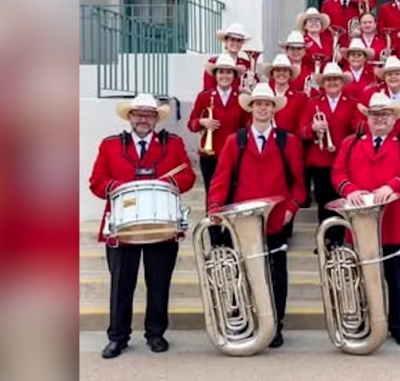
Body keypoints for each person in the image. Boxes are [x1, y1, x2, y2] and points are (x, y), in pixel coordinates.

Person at [89, 94, 196, 358]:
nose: (143, 119)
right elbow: (96, 180)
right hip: (123, 226)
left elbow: (187, 175)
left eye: (149, 115)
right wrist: (117, 188)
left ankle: (155, 333)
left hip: (161, 225)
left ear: (157, 119)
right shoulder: (110, 145)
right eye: (138, 114)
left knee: (159, 282)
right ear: (129, 117)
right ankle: (118, 336)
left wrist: (167, 185)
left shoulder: (173, 143)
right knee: (121, 284)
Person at [206, 83, 307, 349]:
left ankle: (275, 324)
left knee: (277, 274)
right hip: (242, 222)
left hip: (276, 221)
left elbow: (299, 185)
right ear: (251, 108)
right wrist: (215, 208)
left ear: (274, 109)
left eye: (267, 104)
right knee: (241, 272)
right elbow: (220, 180)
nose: (263, 108)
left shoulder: (289, 141)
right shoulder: (233, 141)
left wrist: (291, 209)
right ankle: (245, 319)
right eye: (258, 104)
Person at [332, 92, 400, 346]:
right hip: (362, 223)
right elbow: (338, 173)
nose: (379, 119)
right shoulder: (350, 142)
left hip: (397, 223)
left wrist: (394, 185)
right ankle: (367, 320)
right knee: (362, 277)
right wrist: (350, 189)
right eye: (374, 115)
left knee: (397, 279)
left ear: (394, 117)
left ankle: (399, 324)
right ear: (367, 118)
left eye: (384, 114)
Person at [299, 62, 358, 235]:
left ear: (342, 82)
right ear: (323, 83)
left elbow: (357, 131)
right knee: (324, 203)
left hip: (345, 162)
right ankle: (325, 240)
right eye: (328, 80)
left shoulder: (352, 104)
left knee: (343, 202)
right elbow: (301, 131)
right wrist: (313, 129)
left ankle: (341, 239)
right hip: (321, 161)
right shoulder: (312, 104)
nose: (332, 83)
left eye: (336, 80)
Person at [187, 54, 248, 195]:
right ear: (215, 75)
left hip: (234, 155)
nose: (224, 76)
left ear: (234, 76)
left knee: (232, 195)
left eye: (228, 72)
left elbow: (246, 127)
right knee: (212, 194)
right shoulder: (204, 97)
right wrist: (202, 122)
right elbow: (191, 123)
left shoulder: (241, 98)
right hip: (210, 156)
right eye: (221, 72)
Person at [260, 54, 308, 133]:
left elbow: (301, 127)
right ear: (272, 74)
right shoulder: (264, 95)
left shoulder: (300, 98)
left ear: (290, 74)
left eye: (285, 70)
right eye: (278, 70)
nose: (281, 73)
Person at [202, 23, 251, 91]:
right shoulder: (213, 62)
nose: (236, 43)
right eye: (232, 39)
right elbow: (208, 89)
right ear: (226, 40)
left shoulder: (247, 64)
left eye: (239, 40)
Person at [296, 6, 337, 73]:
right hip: (310, 77)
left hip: (327, 77)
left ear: (321, 25)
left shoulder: (328, 41)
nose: (314, 23)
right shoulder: (301, 41)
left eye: (317, 20)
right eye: (310, 21)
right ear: (305, 26)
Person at [336, 37, 375, 102]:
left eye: (359, 55)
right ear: (347, 58)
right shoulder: (341, 75)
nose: (356, 58)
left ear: (365, 58)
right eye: (353, 55)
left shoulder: (372, 74)